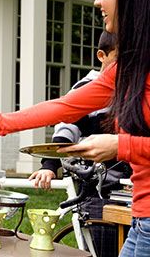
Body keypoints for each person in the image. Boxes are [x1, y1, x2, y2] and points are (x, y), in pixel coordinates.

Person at [0, 0, 150, 255]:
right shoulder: (126, 69)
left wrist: (120, 146)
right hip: (142, 218)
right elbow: (63, 107)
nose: (97, 1)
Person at [29, 30, 130, 257]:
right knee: (107, 247)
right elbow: (66, 126)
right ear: (101, 56)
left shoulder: (129, 89)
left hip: (128, 185)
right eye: (118, 60)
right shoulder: (88, 87)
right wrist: (49, 165)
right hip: (97, 187)